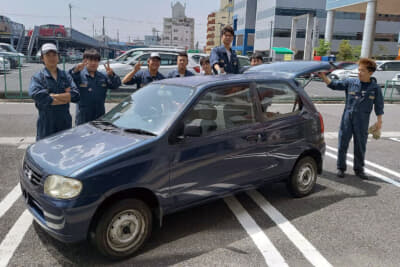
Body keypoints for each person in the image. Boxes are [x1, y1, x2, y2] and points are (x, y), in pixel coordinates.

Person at [319, 58, 384, 179]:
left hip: (362, 121)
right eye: (359, 70)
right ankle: (341, 168)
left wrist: (379, 121)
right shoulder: (351, 82)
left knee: (360, 145)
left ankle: (359, 169)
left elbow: (379, 105)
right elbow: (333, 85)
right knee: (343, 143)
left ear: (370, 72)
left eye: (362, 70)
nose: (359, 72)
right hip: (347, 118)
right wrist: (323, 76)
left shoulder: (375, 88)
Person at [29, 43, 79, 140]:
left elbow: (76, 95)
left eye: (54, 55)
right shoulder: (38, 77)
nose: (52, 58)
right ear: (42, 58)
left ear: (58, 57)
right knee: (45, 151)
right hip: (46, 123)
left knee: (65, 150)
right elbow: (37, 95)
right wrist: (65, 97)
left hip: (64, 122)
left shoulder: (66, 76)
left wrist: (52, 96)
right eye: (48, 55)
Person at [69, 48, 121, 125]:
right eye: (90, 60)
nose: (93, 63)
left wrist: (112, 75)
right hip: (83, 118)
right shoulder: (78, 75)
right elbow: (68, 79)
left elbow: (115, 86)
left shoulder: (103, 76)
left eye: (96, 60)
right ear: (85, 61)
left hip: (99, 117)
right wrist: (75, 70)